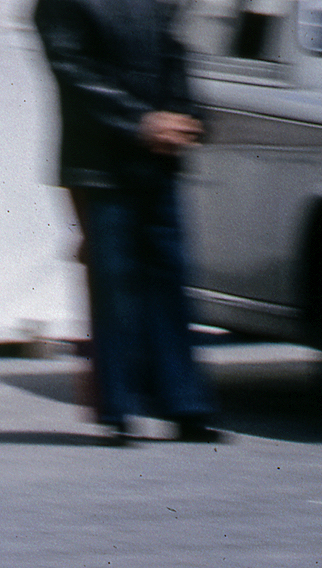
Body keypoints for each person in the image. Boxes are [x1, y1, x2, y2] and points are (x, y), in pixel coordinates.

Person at [34, 0, 225, 445]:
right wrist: (139, 122)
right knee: (113, 280)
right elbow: (73, 71)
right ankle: (118, 409)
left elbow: (172, 54)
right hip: (100, 164)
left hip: (156, 160)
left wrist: (186, 116)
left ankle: (185, 404)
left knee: (169, 275)